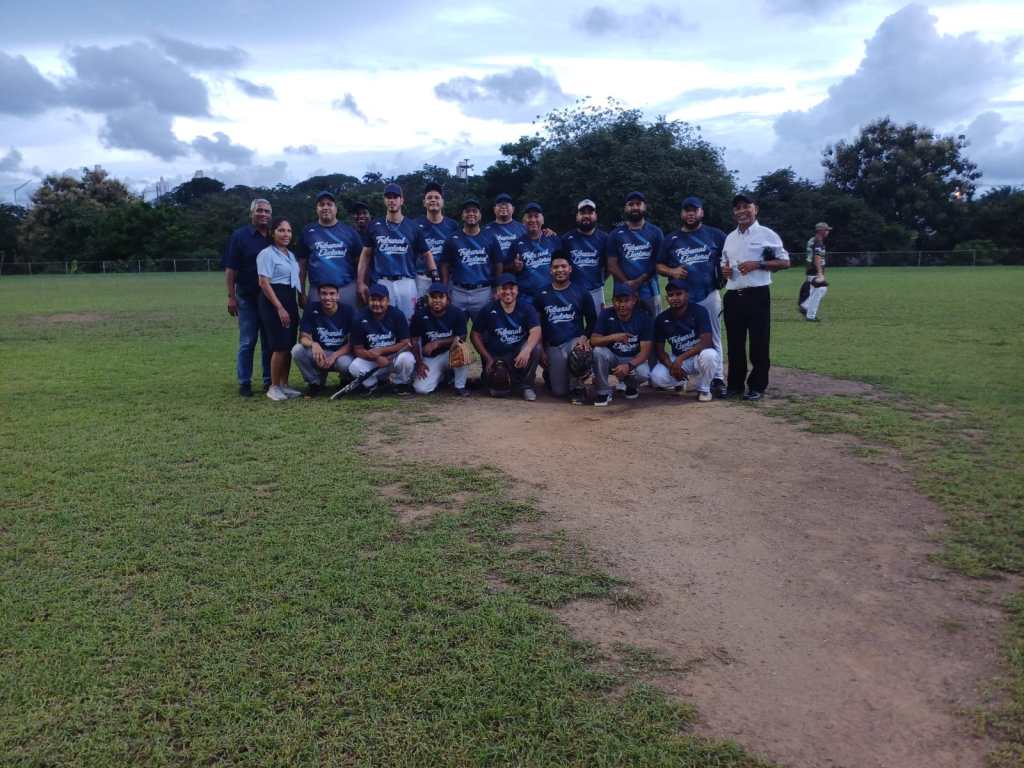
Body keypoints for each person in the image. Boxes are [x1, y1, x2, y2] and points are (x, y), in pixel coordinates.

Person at [721, 192, 790, 401]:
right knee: (735, 344)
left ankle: (757, 386)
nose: (742, 211)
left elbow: (785, 262)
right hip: (733, 294)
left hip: (757, 294)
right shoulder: (730, 237)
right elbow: (724, 262)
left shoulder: (767, 234)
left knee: (759, 342)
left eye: (746, 206)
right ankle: (734, 385)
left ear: (755, 209)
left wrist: (758, 264)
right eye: (737, 208)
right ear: (734, 212)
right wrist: (725, 270)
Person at [657, 196, 727, 396]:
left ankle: (717, 378)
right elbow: (658, 265)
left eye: (694, 210)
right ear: (682, 213)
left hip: (708, 293)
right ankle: (680, 372)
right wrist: (671, 271)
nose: (690, 214)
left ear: (701, 212)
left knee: (714, 335)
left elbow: (729, 256)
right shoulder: (671, 239)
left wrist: (724, 272)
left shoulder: (715, 235)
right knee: (679, 336)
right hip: (680, 298)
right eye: (687, 210)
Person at [357, 183, 438, 319]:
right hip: (383, 281)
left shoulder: (413, 227)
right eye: (388, 197)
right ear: (384, 200)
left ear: (402, 200)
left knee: (410, 320)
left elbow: (427, 254)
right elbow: (365, 255)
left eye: (395, 197)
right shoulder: (375, 225)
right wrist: (360, 282)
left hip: (406, 281)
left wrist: (435, 277)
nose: (392, 200)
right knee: (383, 321)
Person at [223, 198, 273, 396]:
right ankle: (244, 382)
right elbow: (230, 269)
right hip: (247, 297)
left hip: (269, 298)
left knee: (268, 342)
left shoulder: (274, 235)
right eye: (259, 210)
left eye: (267, 211)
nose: (263, 214)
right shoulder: (240, 236)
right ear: (251, 213)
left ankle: (269, 381)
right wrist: (231, 297)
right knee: (247, 341)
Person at [534, 254, 596, 403]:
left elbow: (592, 320)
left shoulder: (581, 291)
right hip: (553, 345)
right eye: (556, 267)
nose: (560, 270)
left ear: (570, 269)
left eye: (563, 266)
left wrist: (585, 338)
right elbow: (536, 325)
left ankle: (578, 386)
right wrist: (541, 349)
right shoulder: (542, 294)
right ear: (550, 270)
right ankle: (550, 374)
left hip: (574, 342)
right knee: (559, 392)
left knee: (580, 353)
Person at [471, 274, 542, 401]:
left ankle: (526, 386)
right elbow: (475, 334)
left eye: (511, 288)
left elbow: (536, 330)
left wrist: (526, 350)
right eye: (503, 288)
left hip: (517, 354)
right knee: (498, 393)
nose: (508, 292)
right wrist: (488, 358)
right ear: (497, 291)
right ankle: (498, 379)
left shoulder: (526, 307)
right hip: (497, 356)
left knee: (535, 348)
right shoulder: (488, 309)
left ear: (517, 290)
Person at [256, 217, 303, 401]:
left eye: (289, 231)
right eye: (281, 230)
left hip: (289, 299)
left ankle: (284, 384)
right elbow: (264, 282)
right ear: (272, 233)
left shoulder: (290, 255)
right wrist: (279, 307)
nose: (286, 234)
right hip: (274, 301)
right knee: (279, 345)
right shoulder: (267, 254)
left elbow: (295, 279)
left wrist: (300, 297)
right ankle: (273, 386)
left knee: (289, 345)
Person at [650, 279, 720, 402]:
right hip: (678, 360)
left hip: (698, 357)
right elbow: (660, 351)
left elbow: (706, 342)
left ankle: (704, 388)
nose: (674, 298)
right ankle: (680, 381)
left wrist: (680, 359)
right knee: (657, 377)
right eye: (671, 295)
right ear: (667, 298)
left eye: (679, 294)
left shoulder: (699, 311)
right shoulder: (661, 318)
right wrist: (672, 367)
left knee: (710, 355)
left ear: (687, 295)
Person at [297, 190, 363, 309]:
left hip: (346, 289)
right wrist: (301, 292)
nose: (325, 207)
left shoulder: (350, 231)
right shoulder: (308, 232)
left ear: (336, 208)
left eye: (329, 204)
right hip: (318, 291)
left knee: (350, 320)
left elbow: (361, 262)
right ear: (317, 209)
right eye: (321, 204)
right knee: (318, 321)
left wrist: (361, 285)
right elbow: (302, 265)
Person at [590, 284, 654, 407]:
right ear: (613, 301)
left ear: (634, 301)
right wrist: (614, 337)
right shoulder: (606, 314)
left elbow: (645, 352)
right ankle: (603, 392)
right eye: (618, 301)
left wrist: (628, 366)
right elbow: (593, 340)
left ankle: (631, 386)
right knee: (598, 351)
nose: (622, 305)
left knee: (644, 372)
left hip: (631, 360)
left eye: (626, 301)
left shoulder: (643, 318)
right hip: (612, 359)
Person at [349, 283, 416, 395]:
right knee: (354, 367)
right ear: (368, 300)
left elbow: (406, 343)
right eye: (373, 300)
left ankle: (400, 384)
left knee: (406, 358)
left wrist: (381, 351)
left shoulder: (397, 315)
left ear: (388, 301)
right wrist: (376, 357)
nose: (376, 303)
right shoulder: (359, 317)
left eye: (380, 300)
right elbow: (358, 349)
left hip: (394, 357)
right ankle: (373, 385)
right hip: (373, 360)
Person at [291, 282, 356, 396]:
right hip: (320, 353)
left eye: (332, 294)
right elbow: (303, 337)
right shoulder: (311, 308)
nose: (327, 297)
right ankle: (315, 383)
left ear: (338, 296)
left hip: (340, 354)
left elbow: (353, 342)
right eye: (324, 294)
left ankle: (345, 380)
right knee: (297, 350)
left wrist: (334, 355)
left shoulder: (348, 311)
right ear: (319, 295)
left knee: (345, 364)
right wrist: (314, 344)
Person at [441, 198, 502, 317]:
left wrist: (497, 287)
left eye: (474, 211)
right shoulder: (452, 239)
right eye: (467, 211)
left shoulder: (490, 237)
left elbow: (498, 264)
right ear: (462, 215)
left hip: (483, 291)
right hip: (458, 292)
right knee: (456, 328)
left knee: (484, 328)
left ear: (480, 215)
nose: (471, 214)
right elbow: (444, 265)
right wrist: (445, 288)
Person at [606, 191, 663, 318]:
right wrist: (628, 283)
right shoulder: (615, 234)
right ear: (625, 208)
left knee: (653, 327)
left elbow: (658, 263)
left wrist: (639, 281)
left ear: (645, 206)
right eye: (631, 204)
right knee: (624, 327)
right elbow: (611, 265)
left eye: (638, 204)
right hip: (622, 293)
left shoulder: (656, 232)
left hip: (650, 291)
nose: (635, 207)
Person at [410, 282, 470, 396]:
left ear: (447, 299)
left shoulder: (457, 313)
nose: (437, 300)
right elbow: (414, 340)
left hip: (450, 353)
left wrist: (438, 343)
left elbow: (462, 337)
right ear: (428, 298)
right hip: (431, 357)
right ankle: (443, 376)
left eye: (441, 297)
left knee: (462, 349)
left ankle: (459, 386)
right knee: (421, 389)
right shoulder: (420, 315)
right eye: (433, 297)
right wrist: (419, 363)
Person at [502, 202, 560, 305]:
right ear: (523, 221)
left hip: (551, 295)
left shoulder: (553, 239)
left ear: (542, 220)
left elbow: (565, 264)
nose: (533, 220)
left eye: (536, 216)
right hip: (526, 298)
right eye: (529, 217)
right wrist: (514, 267)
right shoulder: (516, 244)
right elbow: (505, 269)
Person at [561, 198, 608, 312]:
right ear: (577, 216)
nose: (586, 216)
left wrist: (601, 280)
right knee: (573, 322)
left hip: (596, 291)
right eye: (582, 213)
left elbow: (609, 265)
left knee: (598, 322)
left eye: (590, 213)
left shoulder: (605, 238)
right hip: (573, 291)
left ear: (595, 215)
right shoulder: (566, 239)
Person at [414, 182, 459, 298]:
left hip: (446, 278)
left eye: (437, 197)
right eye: (429, 198)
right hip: (423, 279)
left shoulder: (453, 225)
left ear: (442, 202)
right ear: (424, 202)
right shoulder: (415, 225)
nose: (433, 200)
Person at [483, 192, 527, 264]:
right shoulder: (485, 230)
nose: (503, 207)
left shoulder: (523, 229)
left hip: (518, 269)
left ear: (513, 209)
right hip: (494, 269)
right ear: (494, 209)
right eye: (500, 205)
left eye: (507, 204)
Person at [799, 222, 831, 321]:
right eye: (826, 230)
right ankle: (810, 315)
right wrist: (819, 272)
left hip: (810, 269)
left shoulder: (812, 240)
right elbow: (817, 258)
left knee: (820, 290)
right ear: (821, 231)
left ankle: (805, 305)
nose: (828, 231)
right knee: (820, 290)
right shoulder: (818, 243)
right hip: (814, 270)